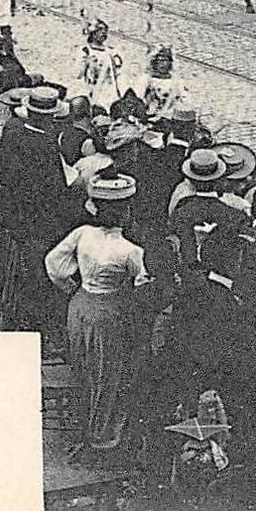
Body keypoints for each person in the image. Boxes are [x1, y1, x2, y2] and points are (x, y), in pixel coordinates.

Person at [45, 172, 152, 452]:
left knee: (84, 366)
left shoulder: (82, 234)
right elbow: (143, 284)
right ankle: (102, 434)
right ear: (125, 210)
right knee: (109, 373)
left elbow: (53, 263)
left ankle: (85, 424)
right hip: (109, 312)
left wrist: (72, 287)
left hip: (80, 304)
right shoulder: (130, 250)